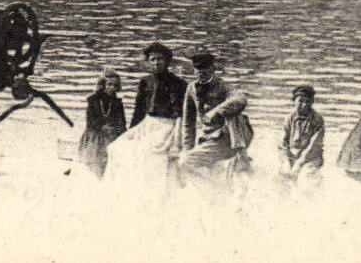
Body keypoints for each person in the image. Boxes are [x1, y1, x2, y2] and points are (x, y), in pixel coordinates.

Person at [104, 42, 186, 186]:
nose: (156, 63)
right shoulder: (145, 82)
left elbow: (180, 114)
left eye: (160, 59)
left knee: (148, 153)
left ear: (167, 61)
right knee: (116, 148)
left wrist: (177, 140)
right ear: (148, 61)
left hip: (167, 125)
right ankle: (121, 187)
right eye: (152, 59)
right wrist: (131, 131)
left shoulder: (177, 83)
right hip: (147, 124)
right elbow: (139, 111)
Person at [174, 52, 253, 186]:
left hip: (230, 137)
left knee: (233, 112)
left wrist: (216, 112)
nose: (201, 72)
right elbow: (188, 122)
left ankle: (241, 155)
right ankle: (215, 186)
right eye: (198, 69)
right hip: (210, 139)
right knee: (184, 162)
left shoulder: (222, 86)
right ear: (194, 70)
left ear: (212, 69)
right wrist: (187, 148)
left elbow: (241, 99)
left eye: (205, 68)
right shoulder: (191, 88)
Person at [78, 69, 128, 178]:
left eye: (115, 86)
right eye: (109, 85)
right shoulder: (93, 100)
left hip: (111, 134)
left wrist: (122, 133)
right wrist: (103, 127)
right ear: (103, 85)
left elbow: (122, 122)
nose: (112, 88)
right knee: (98, 149)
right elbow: (90, 121)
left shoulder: (117, 103)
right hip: (95, 133)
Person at [279, 84, 325, 183]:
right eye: (300, 101)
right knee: (279, 179)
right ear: (294, 101)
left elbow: (313, 147)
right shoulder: (289, 118)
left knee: (307, 179)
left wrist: (299, 164)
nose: (304, 105)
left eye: (307, 101)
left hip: (310, 158)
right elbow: (283, 144)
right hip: (291, 156)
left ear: (312, 102)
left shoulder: (317, 120)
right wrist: (286, 161)